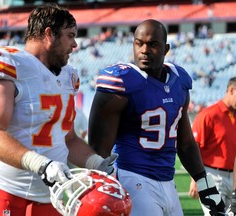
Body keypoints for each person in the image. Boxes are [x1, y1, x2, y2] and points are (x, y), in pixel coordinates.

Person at [0, 3, 116, 216]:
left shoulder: (68, 76)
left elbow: (68, 139)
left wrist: (96, 163)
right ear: (49, 34)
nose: (75, 44)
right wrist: (40, 164)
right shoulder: (10, 64)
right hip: (6, 191)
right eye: (69, 36)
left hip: (53, 196)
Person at [88, 19, 225, 216]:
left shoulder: (179, 81)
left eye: (152, 44)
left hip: (168, 182)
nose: (144, 50)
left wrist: (204, 183)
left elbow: (185, 142)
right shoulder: (120, 84)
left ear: (166, 48)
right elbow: (98, 150)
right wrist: (102, 186)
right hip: (133, 178)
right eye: (139, 43)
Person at [189, 77, 236, 215]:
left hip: (231, 177)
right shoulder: (208, 115)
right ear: (232, 90)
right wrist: (195, 179)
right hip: (211, 176)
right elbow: (193, 147)